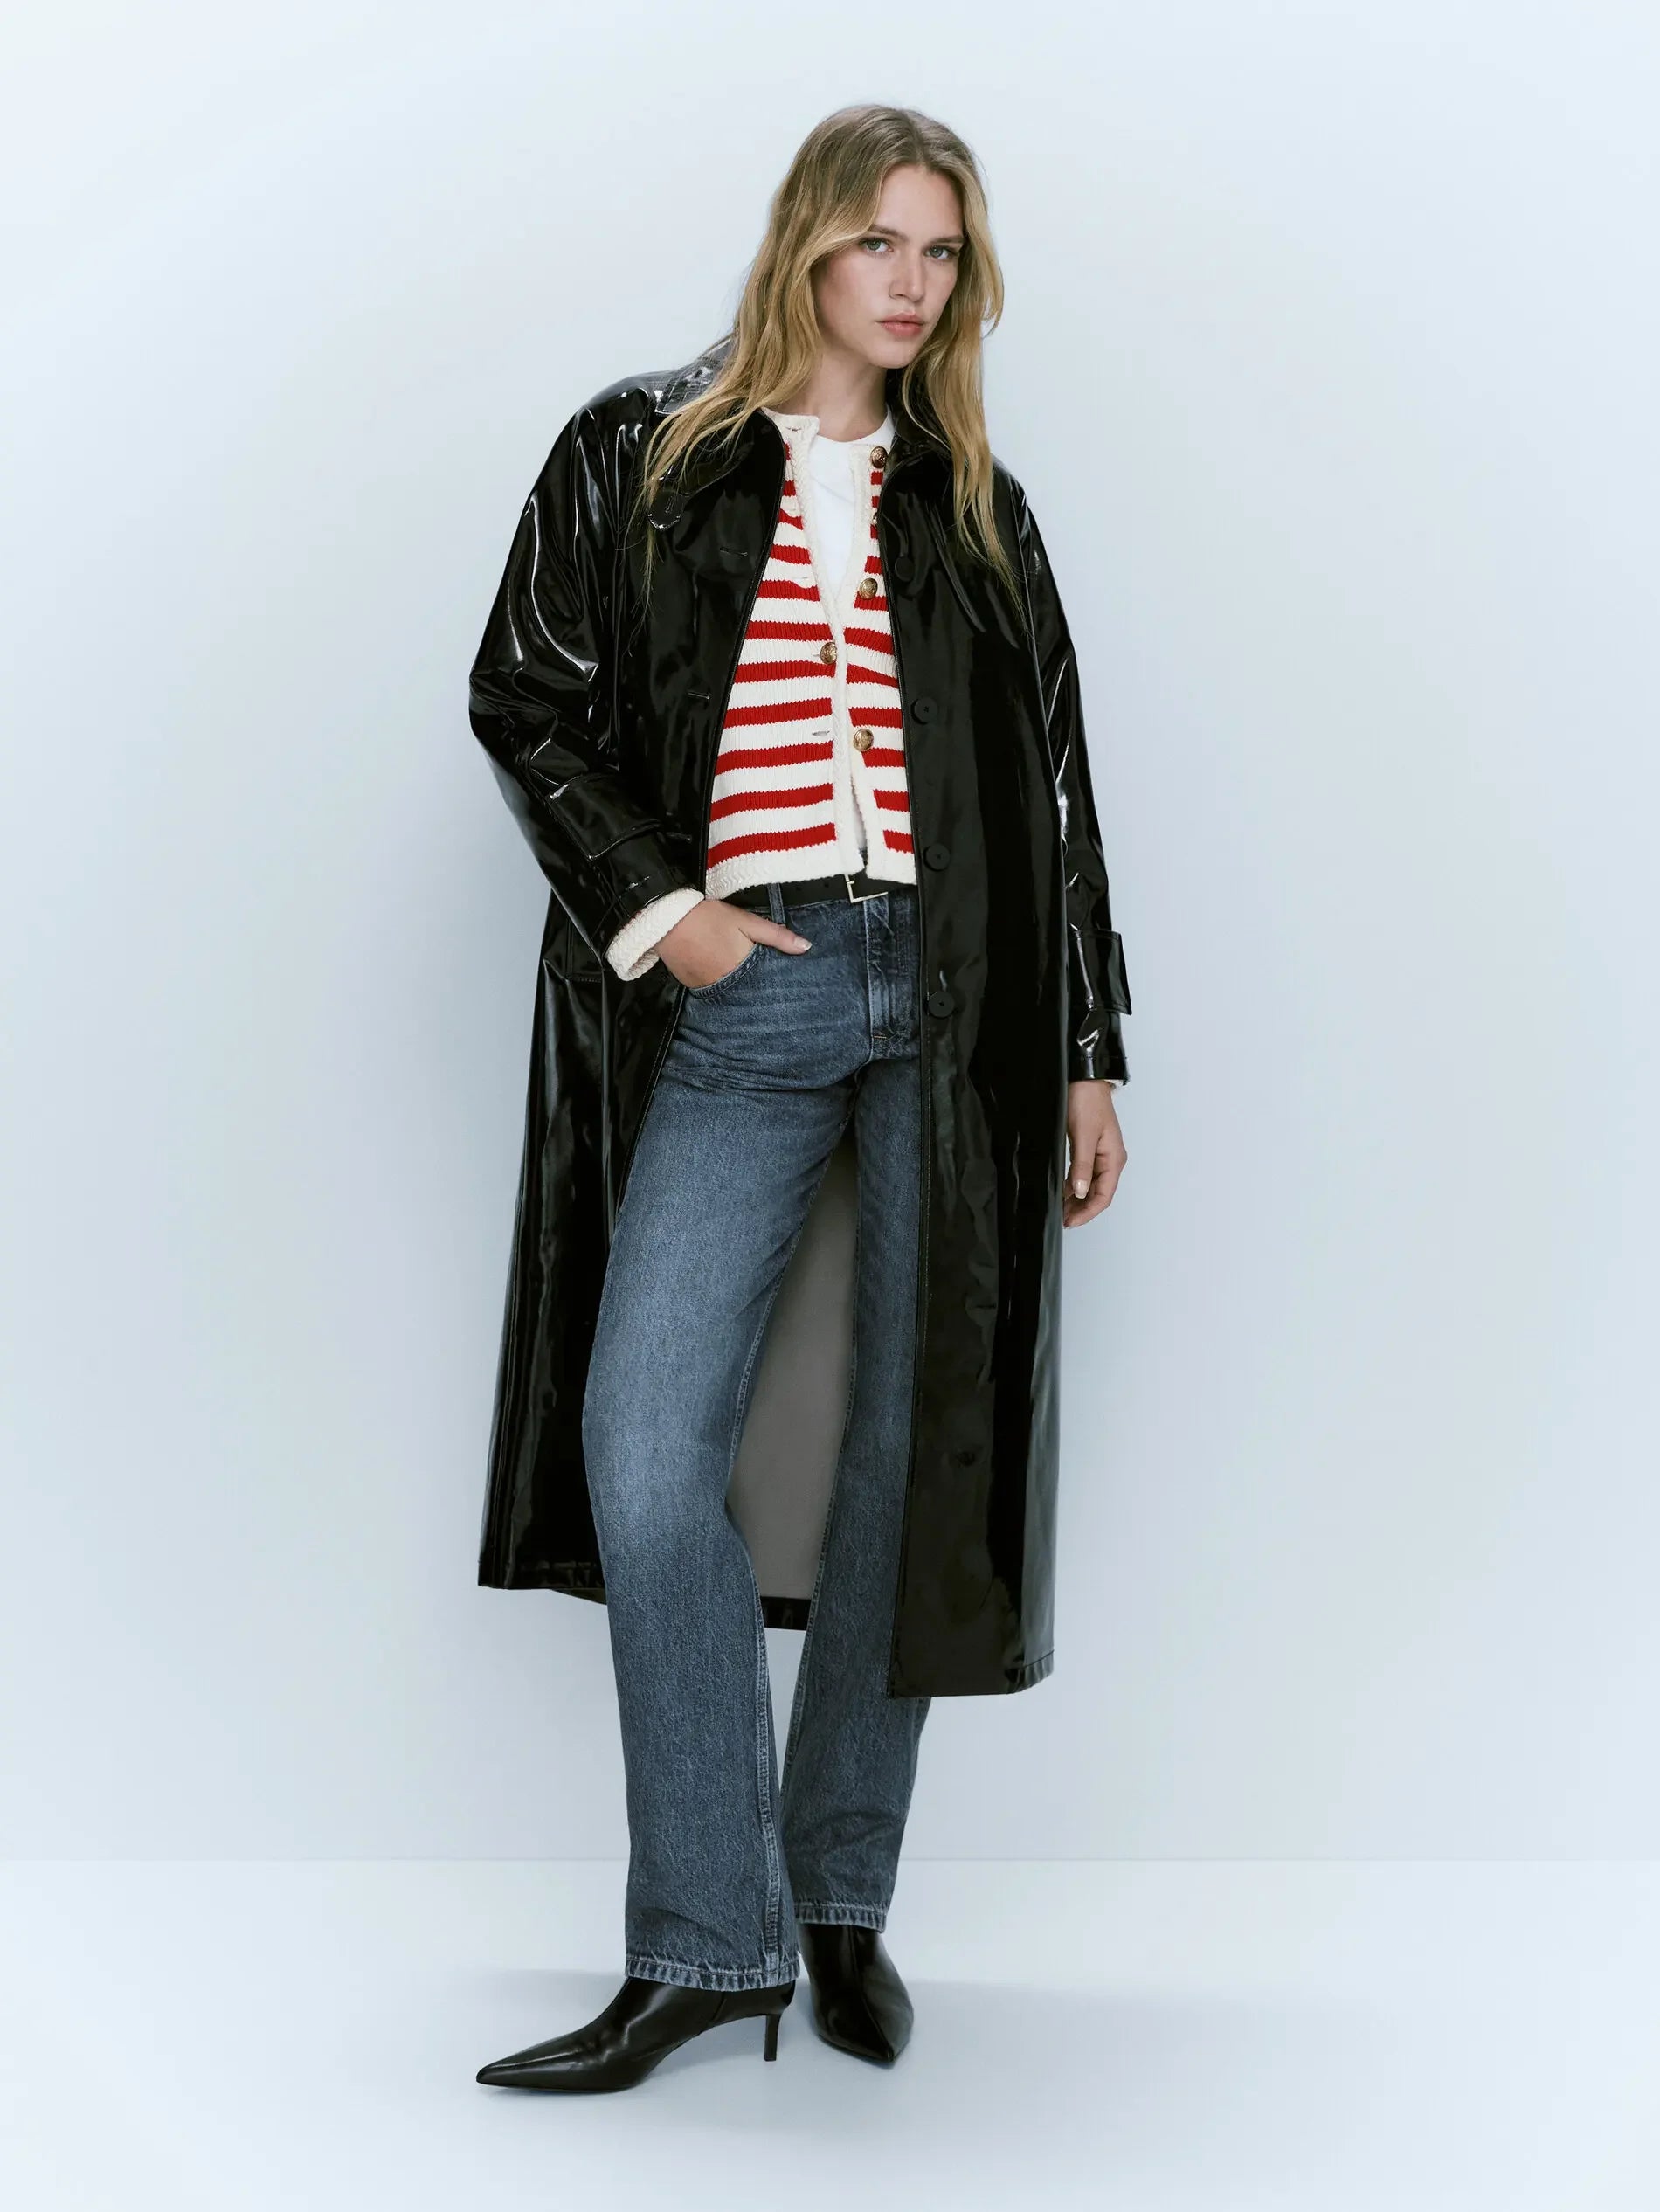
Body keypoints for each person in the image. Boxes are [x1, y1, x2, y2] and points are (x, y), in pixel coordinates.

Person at [467, 103, 1131, 2094]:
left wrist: (1086, 1047)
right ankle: (707, 1938)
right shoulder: (640, 452)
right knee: (644, 1441)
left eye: (944, 252)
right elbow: (525, 695)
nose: (912, 284)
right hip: (749, 987)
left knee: (901, 1462)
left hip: (958, 998)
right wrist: (664, 914)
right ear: (804, 248)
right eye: (879, 244)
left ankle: (834, 1904)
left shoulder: (975, 504)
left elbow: (1056, 791)